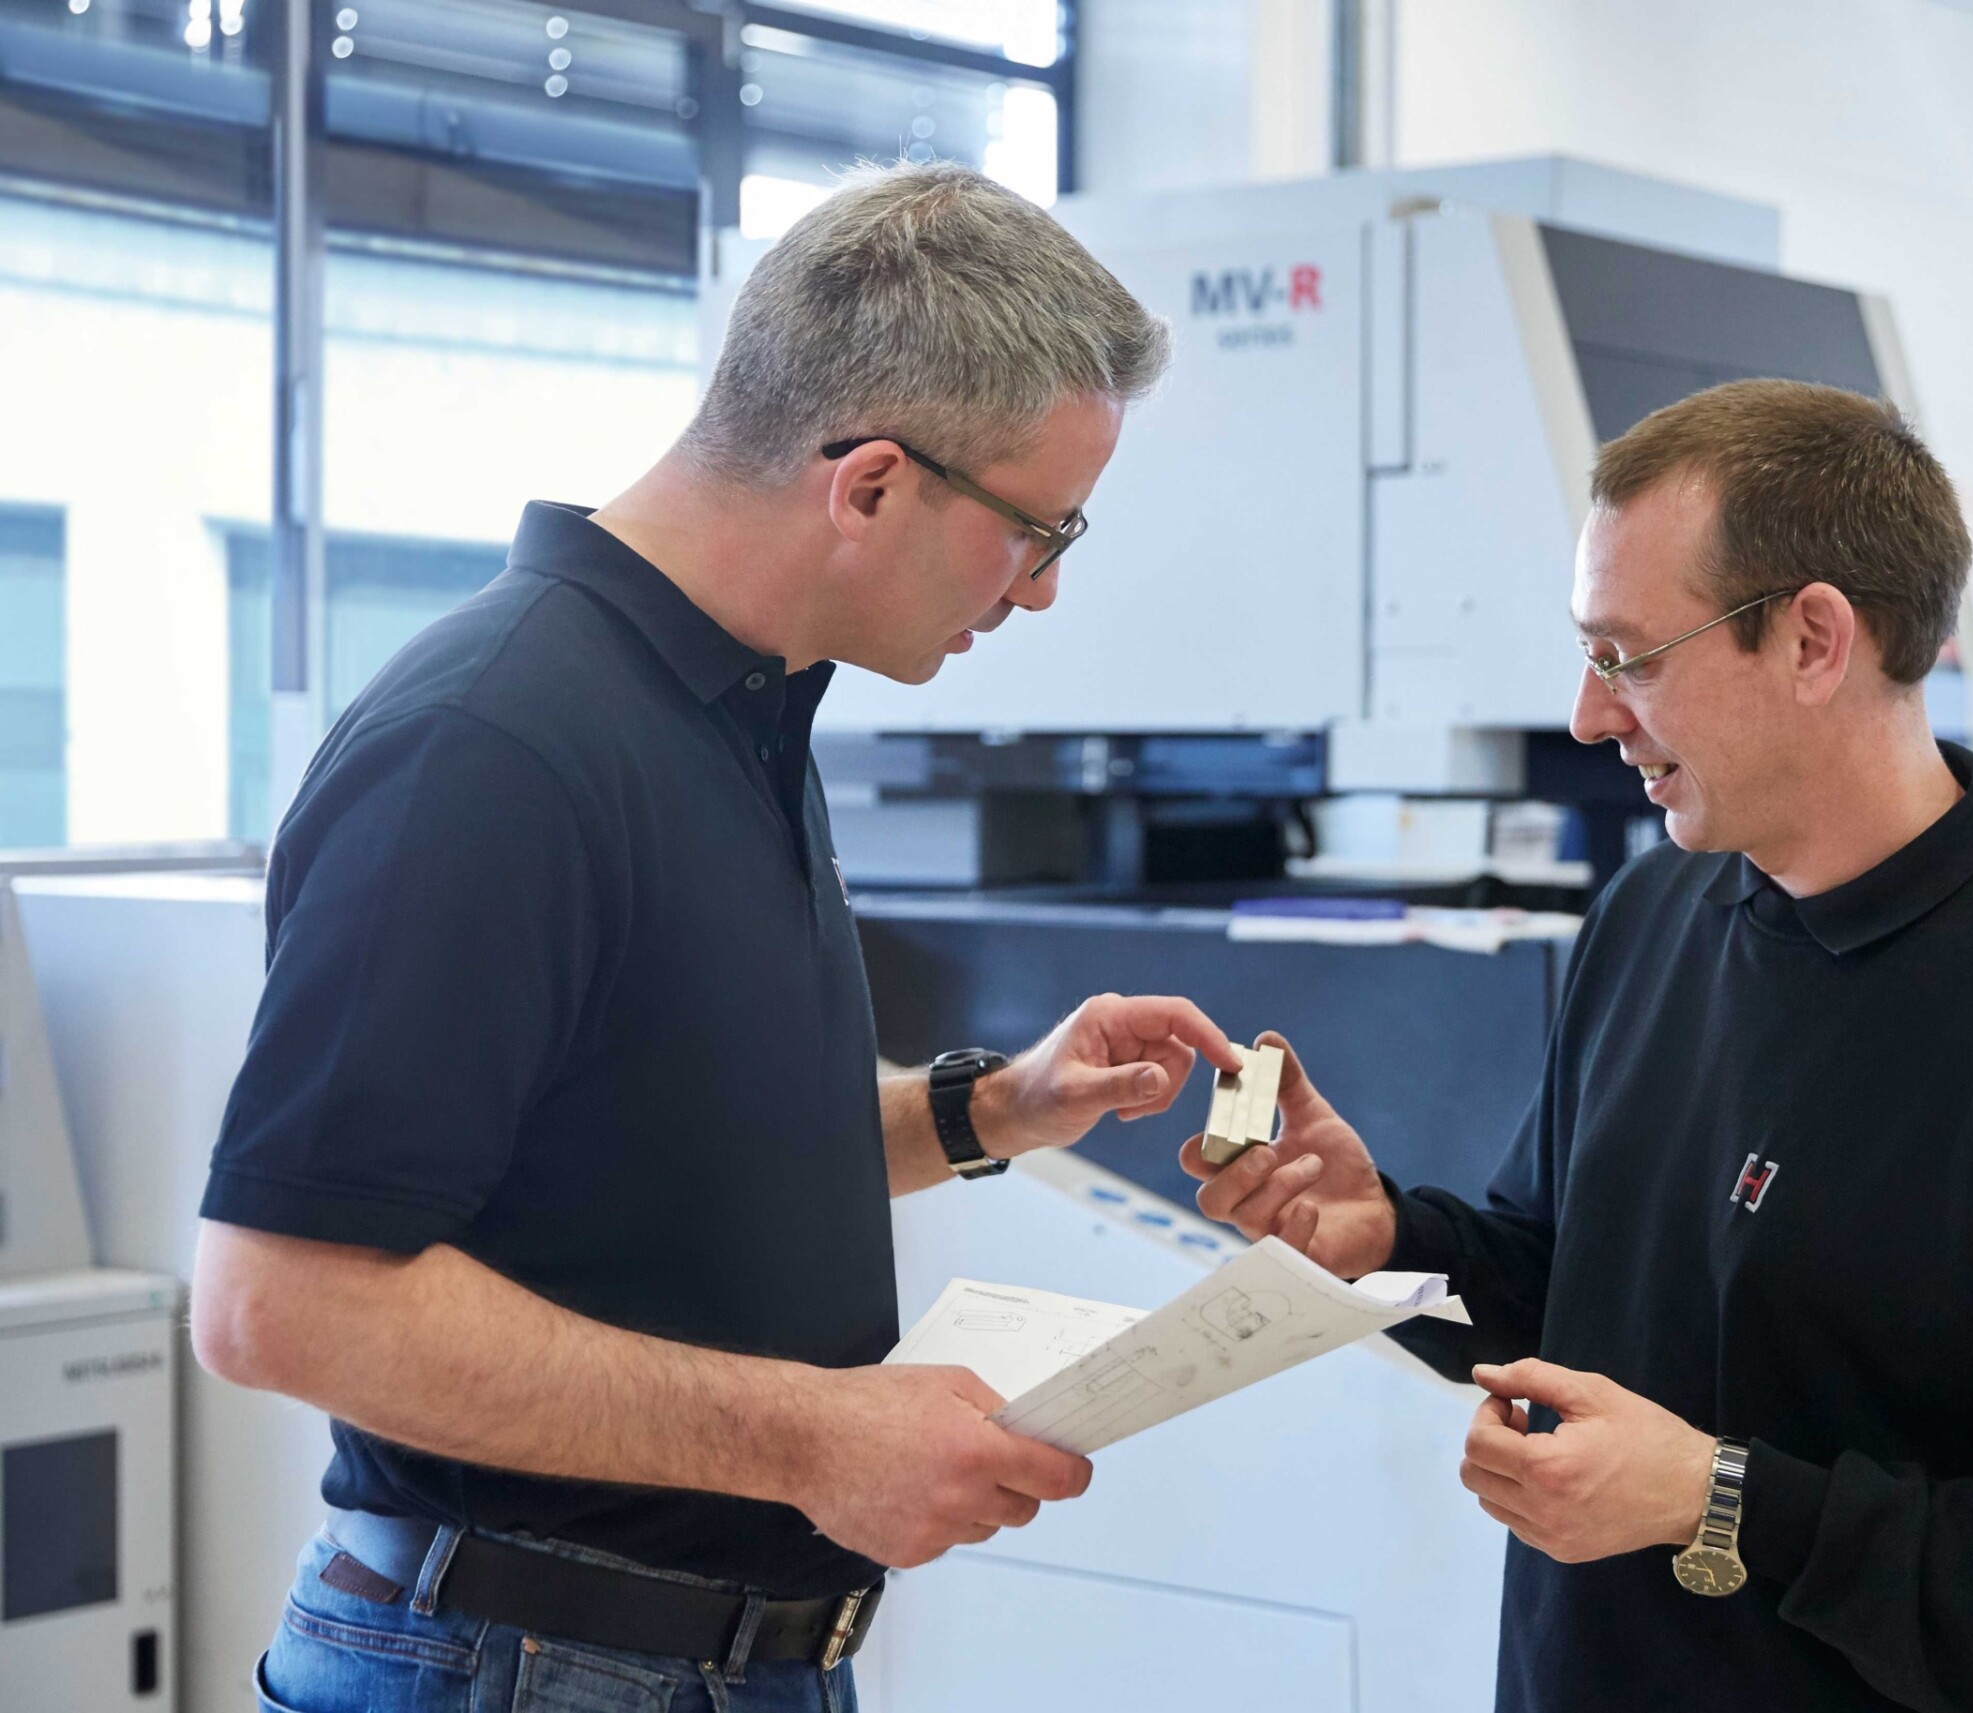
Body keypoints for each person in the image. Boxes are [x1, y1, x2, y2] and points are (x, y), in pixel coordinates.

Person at [190, 162, 1240, 1713]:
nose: (1044, 590)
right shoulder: (495, 746)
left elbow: (651, 1159)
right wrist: (815, 1435)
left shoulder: (740, 710)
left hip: (708, 1660)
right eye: (1037, 528)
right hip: (515, 1662)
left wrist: (990, 1109)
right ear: (872, 481)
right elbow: (281, 1297)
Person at [1187, 379, 1973, 1713]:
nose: (1590, 714)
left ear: (1814, 640)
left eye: (1628, 654)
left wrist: (1720, 1500)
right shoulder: (1653, 913)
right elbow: (1561, 1279)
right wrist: (1388, 1238)